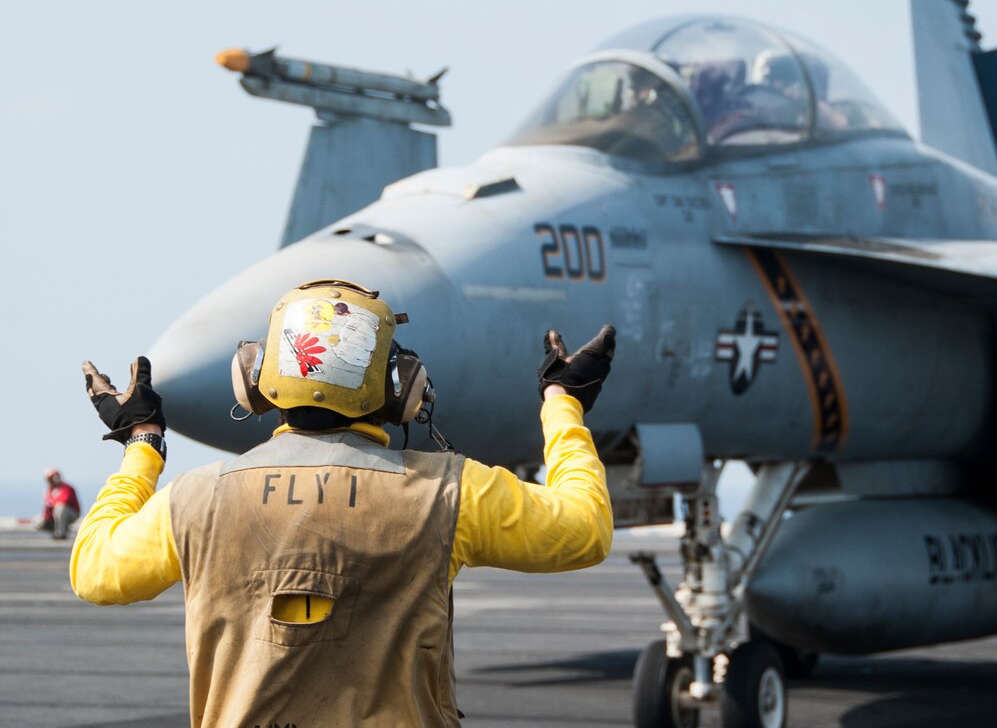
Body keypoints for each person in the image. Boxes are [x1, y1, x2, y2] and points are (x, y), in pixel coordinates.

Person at [70, 279, 615, 728]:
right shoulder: (451, 492)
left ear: (257, 378)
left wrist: (142, 443)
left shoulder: (195, 499)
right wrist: (560, 404)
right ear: (399, 387)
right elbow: (585, 529)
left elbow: (94, 572)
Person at [36, 468, 80, 540]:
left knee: (60, 508)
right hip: (53, 516)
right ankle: (60, 528)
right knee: (37, 521)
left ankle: (60, 533)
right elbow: (47, 506)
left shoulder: (66, 488)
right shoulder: (48, 491)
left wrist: (52, 504)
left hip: (71, 514)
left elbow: (64, 501)